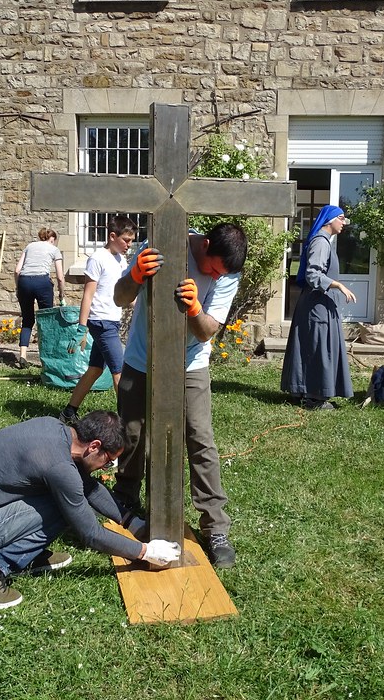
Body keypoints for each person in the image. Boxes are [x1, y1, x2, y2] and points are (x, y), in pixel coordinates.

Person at [0, 410, 182, 610]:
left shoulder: (54, 430)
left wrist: (132, 522)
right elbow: (90, 533)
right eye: (108, 460)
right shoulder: (59, 467)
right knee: (67, 506)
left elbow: (88, 485)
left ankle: (26, 554)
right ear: (94, 446)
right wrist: (146, 552)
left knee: (67, 492)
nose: (107, 467)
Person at [111, 222, 248, 569]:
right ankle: (124, 504)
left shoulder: (228, 273)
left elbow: (206, 332)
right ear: (203, 245)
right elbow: (119, 297)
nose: (216, 278)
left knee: (201, 439)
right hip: (142, 360)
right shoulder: (161, 244)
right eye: (213, 269)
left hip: (191, 366)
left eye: (222, 275)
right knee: (131, 434)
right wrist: (137, 275)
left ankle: (215, 527)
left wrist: (195, 309)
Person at [59, 215, 137, 425]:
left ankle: (69, 411)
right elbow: (88, 295)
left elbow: (125, 294)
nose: (129, 245)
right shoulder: (97, 258)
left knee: (94, 369)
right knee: (119, 370)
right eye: (126, 240)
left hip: (111, 321)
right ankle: (127, 421)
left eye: (131, 240)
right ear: (112, 236)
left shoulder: (121, 260)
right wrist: (81, 328)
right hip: (100, 322)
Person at [281, 205, 358, 410]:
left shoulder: (325, 242)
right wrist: (338, 285)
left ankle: (304, 391)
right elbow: (312, 274)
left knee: (315, 346)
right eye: (341, 218)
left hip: (321, 303)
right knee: (318, 348)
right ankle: (314, 398)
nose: (344, 223)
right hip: (317, 305)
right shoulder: (321, 242)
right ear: (329, 220)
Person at [14, 227, 66, 369]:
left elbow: (17, 270)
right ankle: (48, 357)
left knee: (27, 319)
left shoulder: (29, 246)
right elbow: (60, 277)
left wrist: (18, 288)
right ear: (52, 239)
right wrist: (62, 295)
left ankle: (23, 356)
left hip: (24, 282)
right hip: (42, 283)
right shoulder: (53, 249)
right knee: (47, 320)